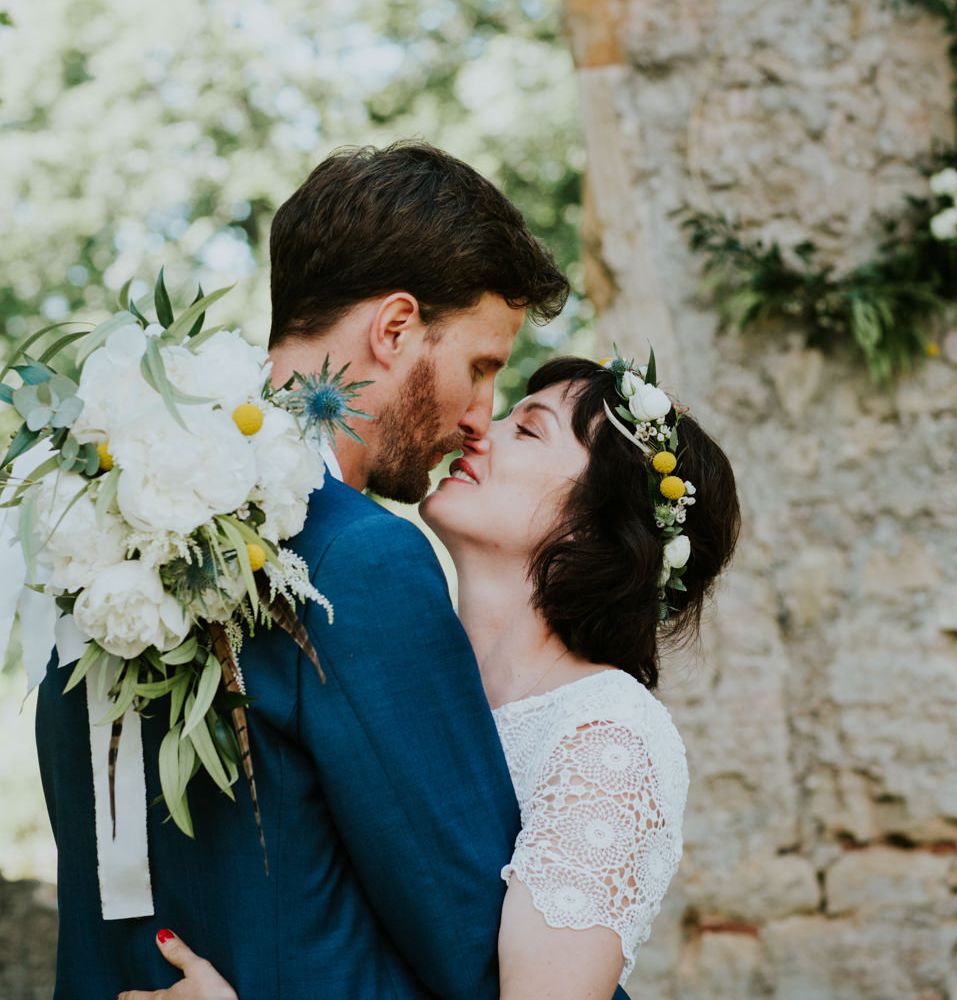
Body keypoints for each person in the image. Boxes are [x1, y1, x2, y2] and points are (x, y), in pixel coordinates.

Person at [36, 141, 592, 999]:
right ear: (396, 328)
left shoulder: (103, 529)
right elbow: (475, 949)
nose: (481, 416)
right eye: (481, 366)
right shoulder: (360, 560)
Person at [118, 355, 741, 999]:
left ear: (598, 524)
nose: (479, 430)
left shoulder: (607, 738)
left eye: (527, 430)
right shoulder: (396, 668)